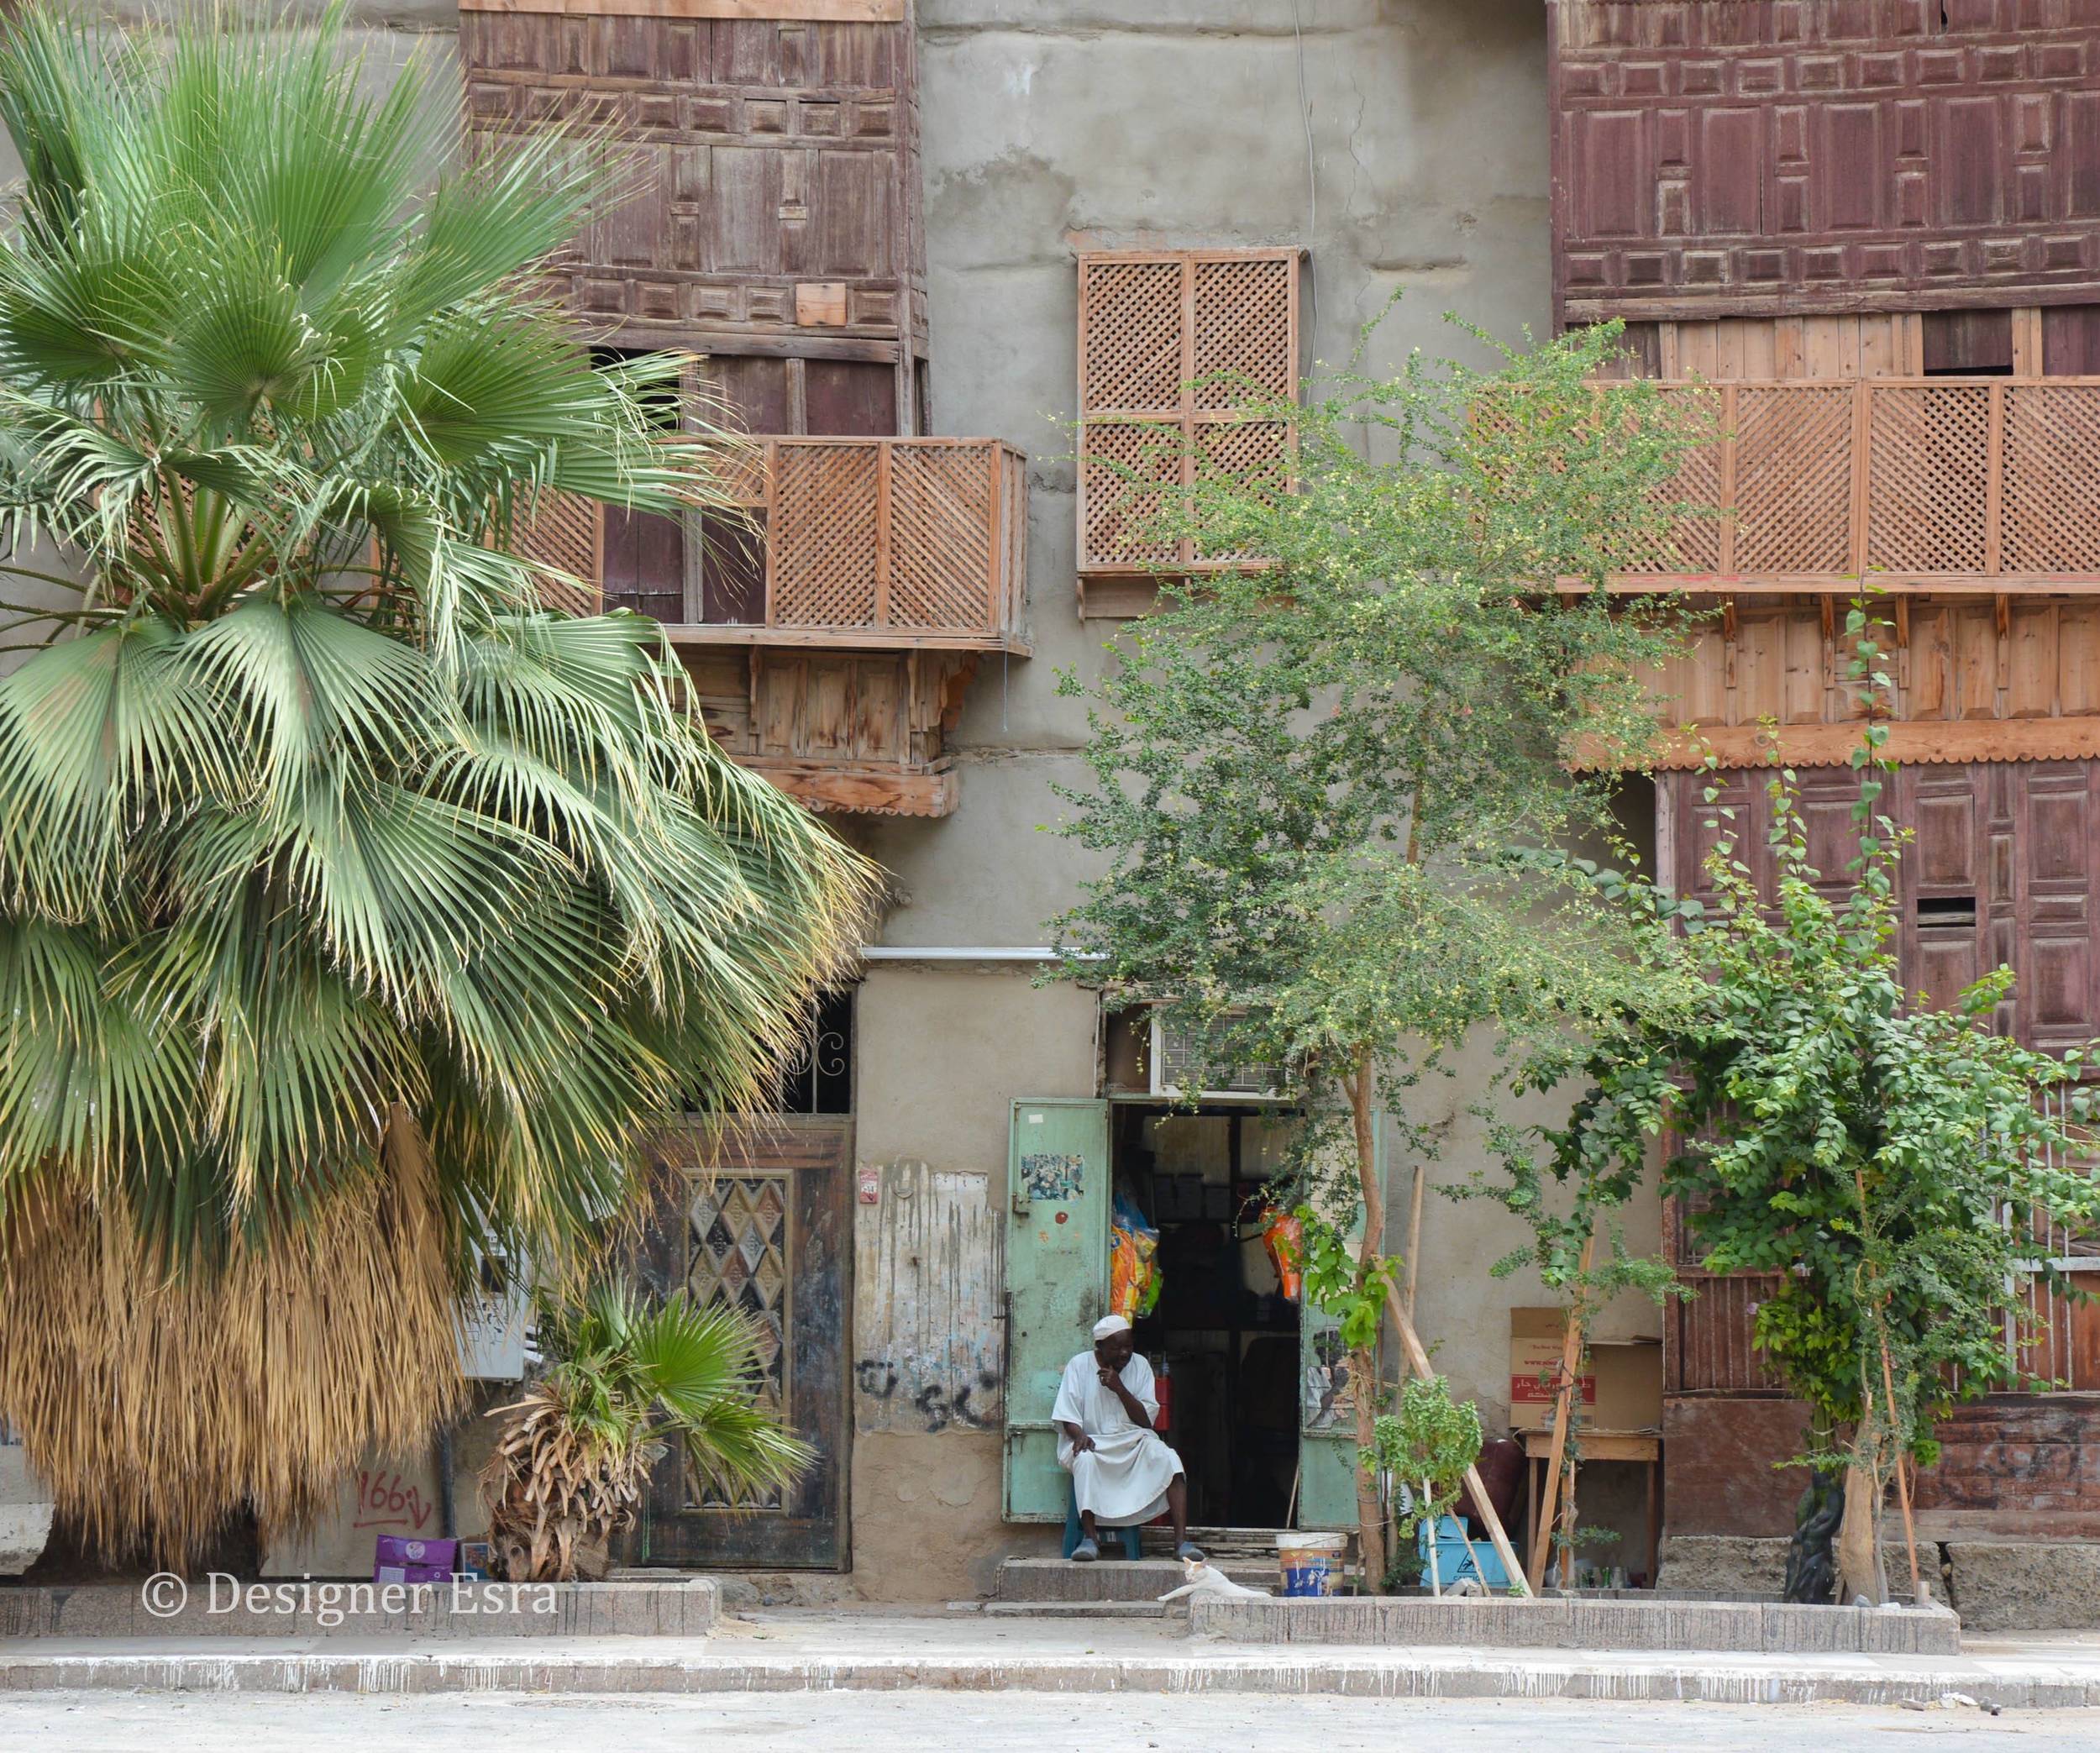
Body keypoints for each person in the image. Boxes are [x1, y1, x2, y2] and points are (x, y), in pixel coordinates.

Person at [1053, 1313, 1202, 1562]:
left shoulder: (1140, 1365)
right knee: (1086, 1460)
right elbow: (1067, 1414)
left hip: (1133, 1442)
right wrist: (1079, 1435)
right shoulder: (1079, 1365)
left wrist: (1120, 1388)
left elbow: (1146, 1421)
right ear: (1099, 1347)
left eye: (1129, 1346)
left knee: (1170, 1460)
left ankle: (1181, 1543)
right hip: (1093, 1442)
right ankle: (1090, 1540)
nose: (1125, 1353)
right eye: (1117, 1347)